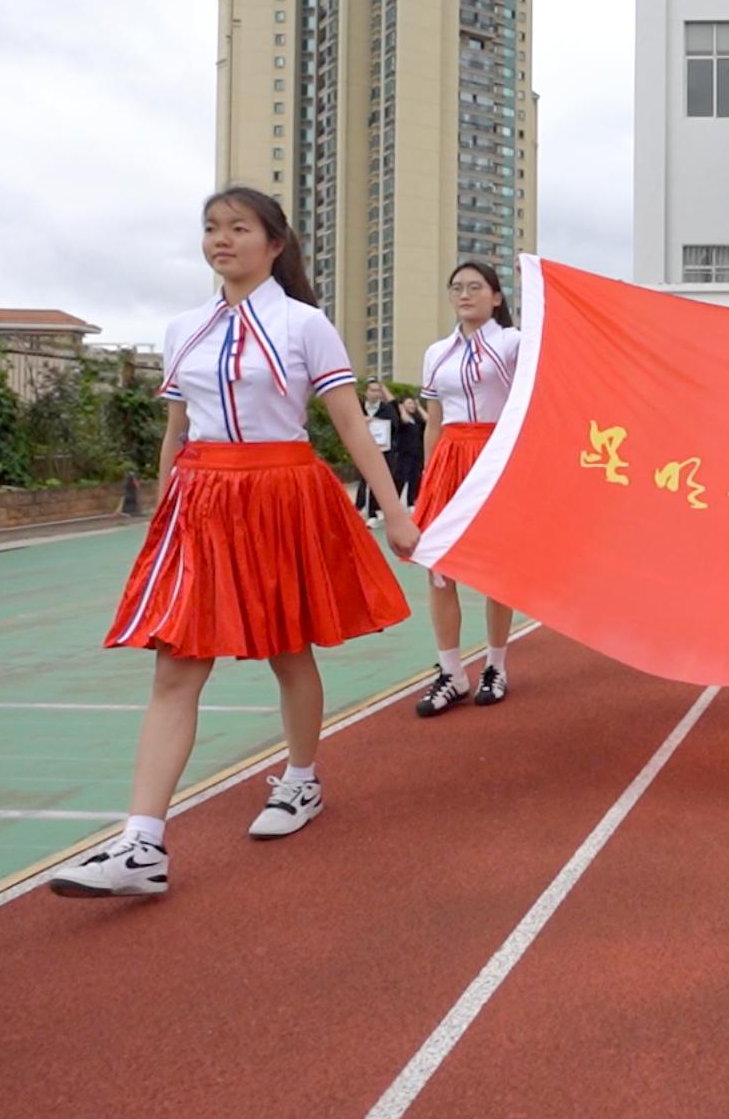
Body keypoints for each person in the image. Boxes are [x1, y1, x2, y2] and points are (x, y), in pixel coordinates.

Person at [51, 187, 417, 900]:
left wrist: (396, 513)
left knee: (288, 649)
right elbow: (175, 429)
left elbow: (346, 425)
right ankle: (142, 842)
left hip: (279, 494)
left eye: (238, 228)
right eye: (211, 228)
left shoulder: (306, 324)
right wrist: (164, 514)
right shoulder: (182, 327)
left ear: (273, 243)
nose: (221, 240)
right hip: (201, 501)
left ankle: (302, 780)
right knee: (176, 667)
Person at [411, 261, 525, 715]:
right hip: (449, 459)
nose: (465, 294)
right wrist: (426, 479)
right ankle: (452, 671)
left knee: (498, 568)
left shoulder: (513, 343)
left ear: (496, 297)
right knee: (438, 566)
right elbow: (433, 423)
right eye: (456, 287)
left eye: (476, 287)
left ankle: (496, 664)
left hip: (495, 456)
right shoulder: (436, 352)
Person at [355, 383, 401, 519]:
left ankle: (373, 511)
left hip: (383, 449)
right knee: (363, 478)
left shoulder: (386, 408)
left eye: (378, 391)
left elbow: (395, 425)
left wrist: (376, 421)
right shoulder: (358, 407)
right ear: (366, 392)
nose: (375, 393)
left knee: (378, 479)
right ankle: (360, 506)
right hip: (362, 447)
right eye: (372, 390)